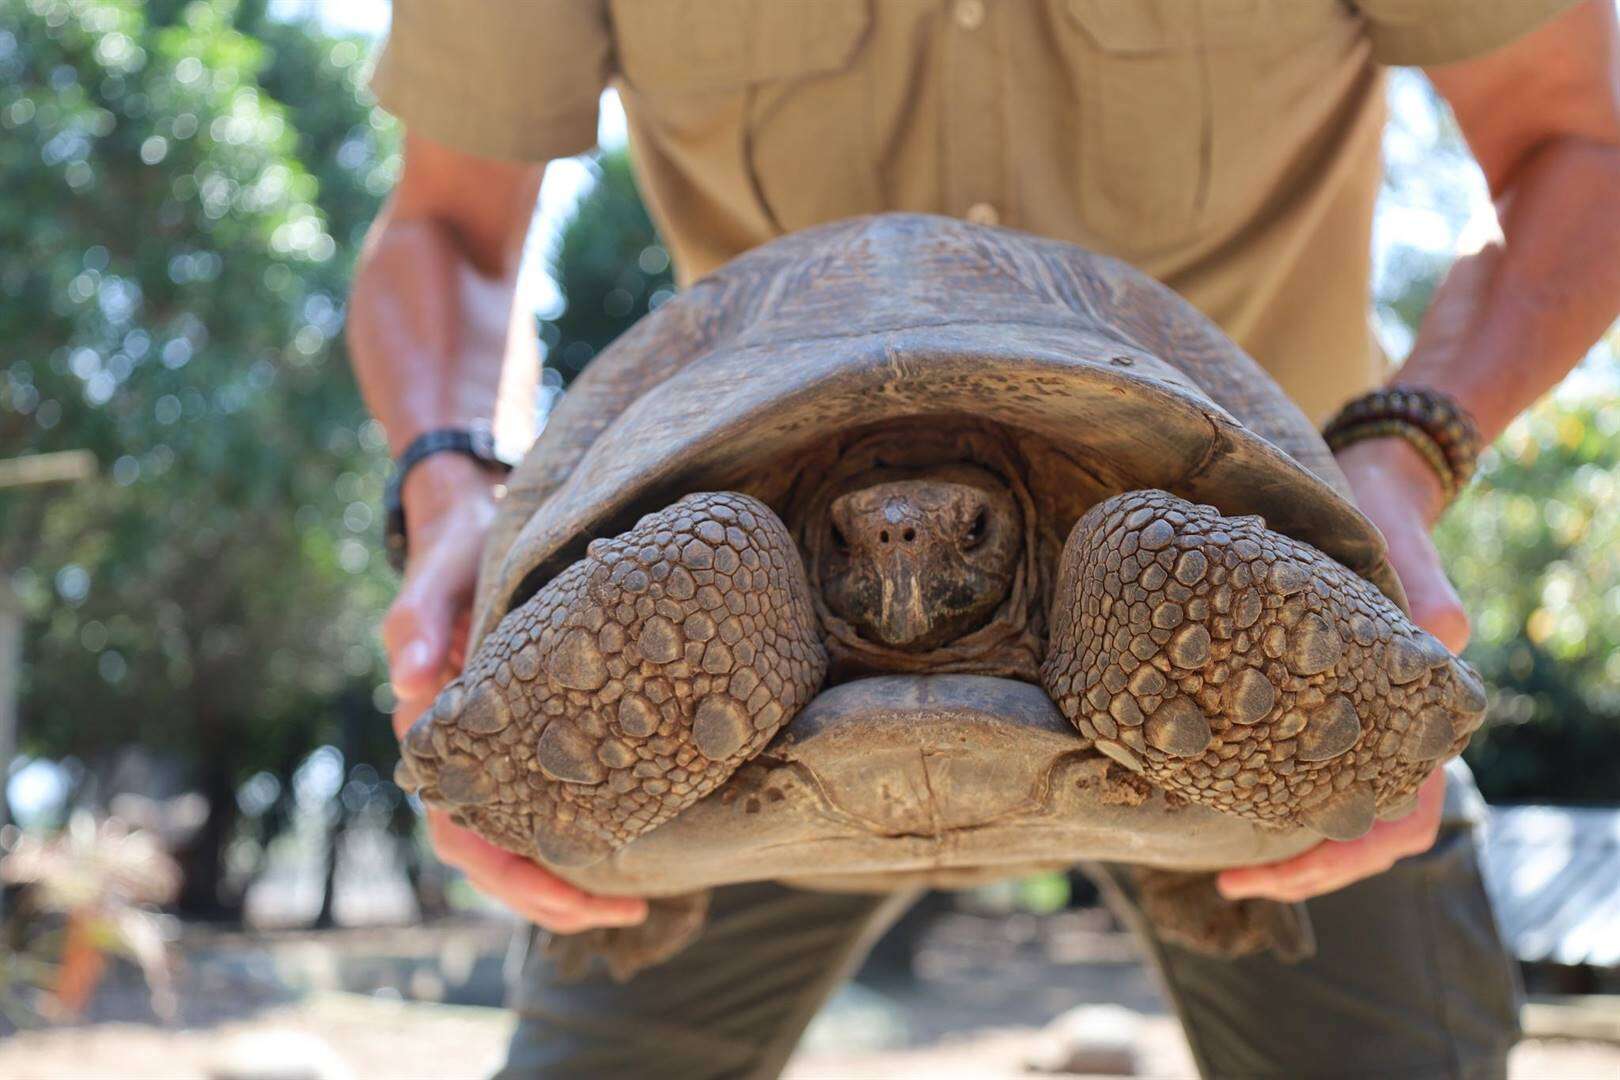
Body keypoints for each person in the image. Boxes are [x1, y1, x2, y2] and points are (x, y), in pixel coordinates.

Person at [347, 2, 1620, 1076]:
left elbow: (1580, 137)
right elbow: (448, 224)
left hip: (1238, 618)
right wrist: (449, 486)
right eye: (866, 538)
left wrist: (1403, 454)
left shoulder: (1158, 575)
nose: (902, 549)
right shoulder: (719, 586)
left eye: (958, 528)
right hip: (710, 666)